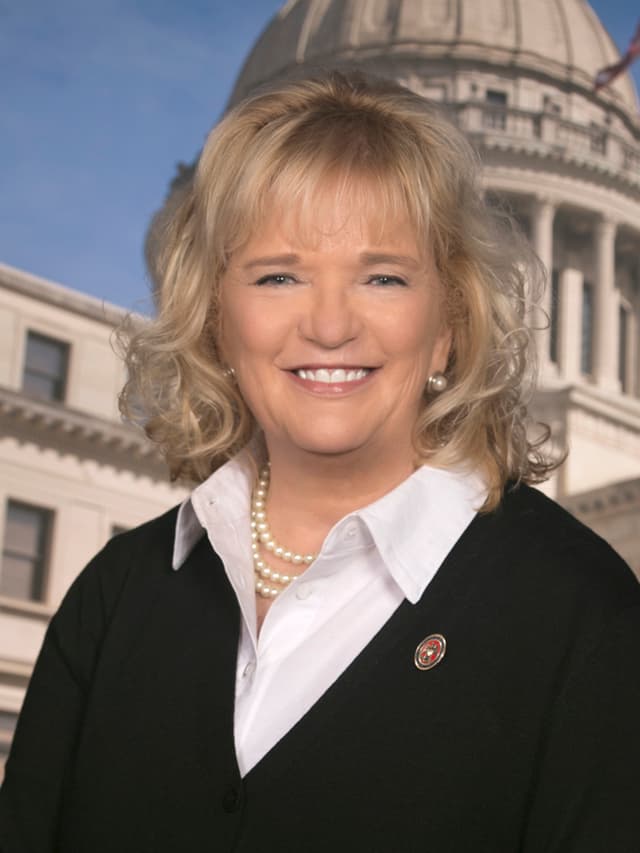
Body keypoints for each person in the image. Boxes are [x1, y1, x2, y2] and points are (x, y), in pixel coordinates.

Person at [1, 70, 639, 853]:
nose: (330, 325)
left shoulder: (584, 614)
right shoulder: (116, 595)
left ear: (449, 320)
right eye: (279, 275)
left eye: (383, 276)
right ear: (213, 316)